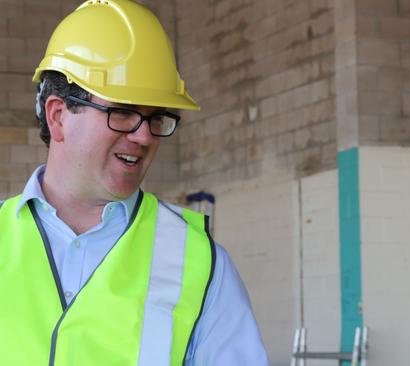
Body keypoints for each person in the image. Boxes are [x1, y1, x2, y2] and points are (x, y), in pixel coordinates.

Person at [0, 1, 268, 365]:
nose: (144, 137)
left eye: (156, 117)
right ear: (58, 116)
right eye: (122, 112)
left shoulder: (202, 265)